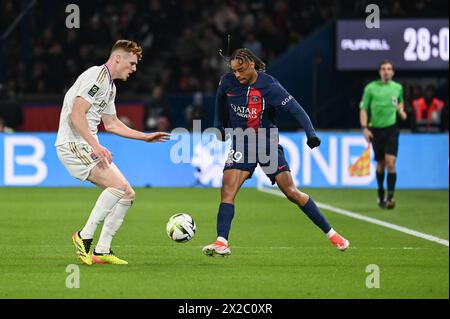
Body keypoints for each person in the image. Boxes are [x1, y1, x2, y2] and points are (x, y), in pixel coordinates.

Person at [202, 48, 349, 257]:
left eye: (241, 70)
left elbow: (296, 109)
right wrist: (218, 126)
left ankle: (332, 234)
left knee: (291, 192)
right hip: (241, 144)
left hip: (266, 144)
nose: (238, 75)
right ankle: (222, 241)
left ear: (251, 64)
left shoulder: (270, 86)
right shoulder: (227, 82)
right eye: (234, 71)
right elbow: (219, 103)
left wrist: (311, 134)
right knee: (227, 190)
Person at [55, 40, 169, 265]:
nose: (134, 69)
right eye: (132, 63)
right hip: (73, 144)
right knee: (118, 188)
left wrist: (145, 136)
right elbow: (76, 116)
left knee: (127, 194)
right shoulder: (96, 77)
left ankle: (102, 249)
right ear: (118, 58)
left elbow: (112, 124)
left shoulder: (110, 86)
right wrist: (96, 146)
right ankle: (84, 236)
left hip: (86, 145)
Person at [359, 60, 407, 209]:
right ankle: (381, 192)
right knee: (380, 165)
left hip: (391, 129)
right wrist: (364, 128)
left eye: (389, 69)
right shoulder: (371, 88)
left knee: (390, 163)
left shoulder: (398, 88)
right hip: (376, 131)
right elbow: (364, 109)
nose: (386, 71)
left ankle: (390, 196)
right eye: (383, 69)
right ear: (380, 72)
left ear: (392, 72)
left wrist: (401, 112)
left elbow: (400, 104)